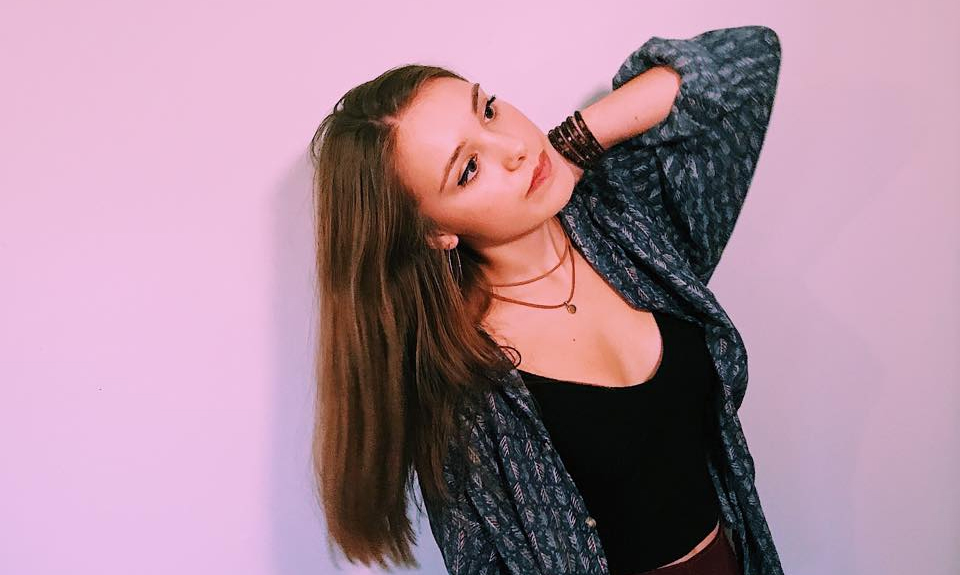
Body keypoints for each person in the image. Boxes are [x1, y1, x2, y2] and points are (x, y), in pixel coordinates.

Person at [309, 24, 783, 575]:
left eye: (488, 111)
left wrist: (575, 144)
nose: (514, 148)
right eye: (468, 169)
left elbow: (749, 61)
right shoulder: (464, 387)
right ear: (434, 233)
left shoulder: (626, 220)